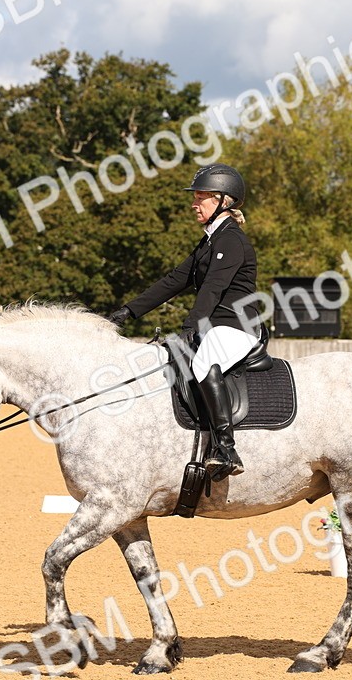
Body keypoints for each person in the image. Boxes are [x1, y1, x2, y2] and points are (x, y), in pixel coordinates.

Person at [106, 164, 261, 481]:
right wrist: (126, 312)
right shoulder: (209, 241)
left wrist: (191, 326)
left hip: (237, 327)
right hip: (215, 326)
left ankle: (226, 450)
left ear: (223, 200)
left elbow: (212, 288)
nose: (194, 203)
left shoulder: (231, 240)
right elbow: (174, 280)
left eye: (201, 197)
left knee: (203, 361)